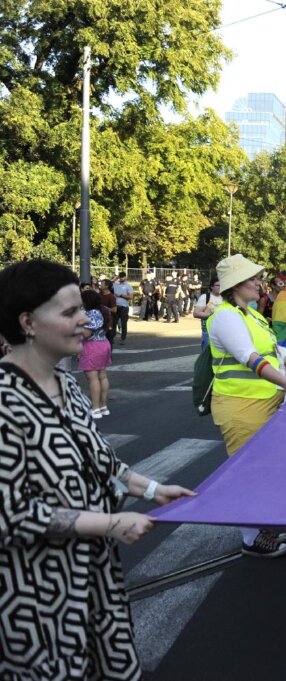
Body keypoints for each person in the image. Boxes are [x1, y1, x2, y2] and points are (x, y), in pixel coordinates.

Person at [0, 260, 195, 679]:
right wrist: (107, 523)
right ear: (28, 322)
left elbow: (104, 462)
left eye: (82, 312)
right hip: (36, 593)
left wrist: (153, 489)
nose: (84, 323)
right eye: (69, 313)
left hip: (96, 579)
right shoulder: (4, 401)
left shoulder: (67, 386)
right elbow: (10, 514)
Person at [208, 254, 286, 555]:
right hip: (241, 407)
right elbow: (251, 359)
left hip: (264, 402)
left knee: (270, 468)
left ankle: (269, 523)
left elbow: (277, 352)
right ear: (236, 285)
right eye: (252, 279)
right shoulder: (226, 317)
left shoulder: (251, 315)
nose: (259, 282)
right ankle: (252, 539)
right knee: (248, 474)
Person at [79, 289, 113, 419]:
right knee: (102, 377)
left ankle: (95, 408)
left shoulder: (91, 313)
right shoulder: (103, 311)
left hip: (92, 347)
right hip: (103, 344)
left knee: (93, 379)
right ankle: (103, 406)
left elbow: (86, 334)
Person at [193, 275, 222, 350]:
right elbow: (196, 313)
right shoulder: (205, 297)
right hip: (208, 332)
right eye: (217, 285)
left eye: (221, 285)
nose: (220, 287)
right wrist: (210, 314)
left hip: (222, 330)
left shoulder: (225, 297)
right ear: (212, 287)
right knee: (208, 354)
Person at [111, 273, 133, 344]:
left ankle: (123, 338)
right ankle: (112, 337)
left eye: (122, 277)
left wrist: (120, 295)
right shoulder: (115, 284)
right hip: (116, 306)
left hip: (124, 307)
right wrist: (116, 277)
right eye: (120, 277)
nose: (121, 278)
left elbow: (130, 297)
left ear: (125, 277)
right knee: (113, 323)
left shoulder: (128, 286)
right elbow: (109, 283)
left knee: (123, 324)